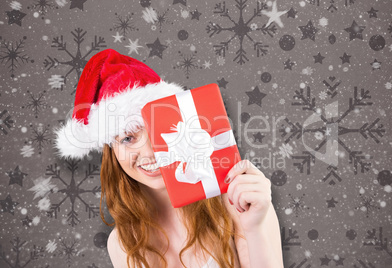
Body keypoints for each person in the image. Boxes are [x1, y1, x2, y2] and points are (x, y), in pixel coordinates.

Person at [54, 48, 284, 268]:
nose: (150, 152)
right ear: (112, 153)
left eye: (157, 130)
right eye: (128, 138)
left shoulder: (236, 200)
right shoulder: (123, 242)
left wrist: (254, 229)